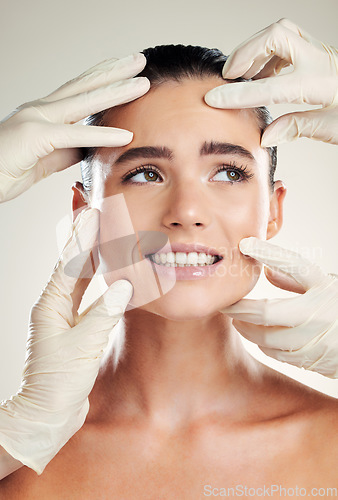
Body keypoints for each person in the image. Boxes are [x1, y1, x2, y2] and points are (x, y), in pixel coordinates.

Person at [0, 21, 337, 497]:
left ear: (274, 209)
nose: (187, 212)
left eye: (227, 171)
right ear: (84, 216)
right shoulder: (15, 454)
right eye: (144, 174)